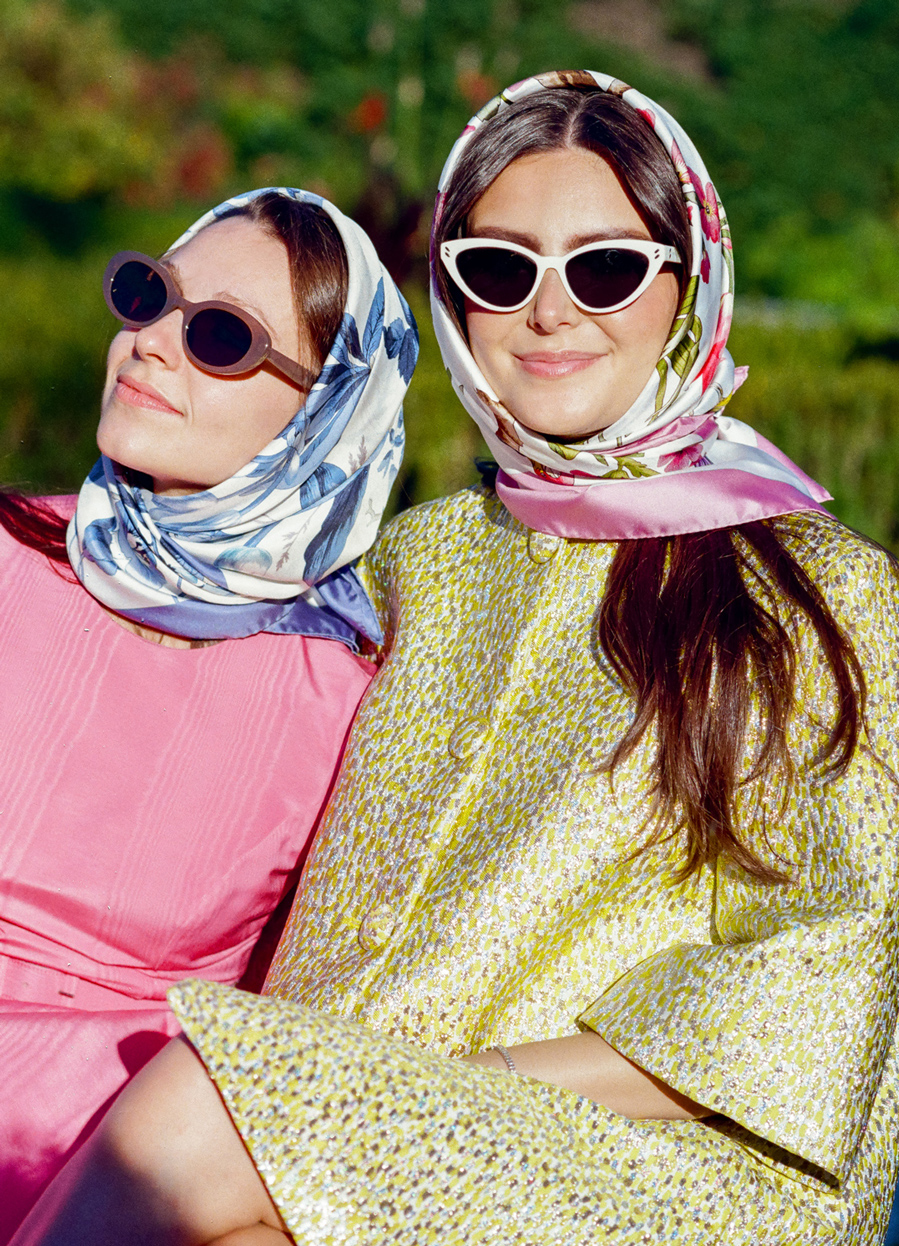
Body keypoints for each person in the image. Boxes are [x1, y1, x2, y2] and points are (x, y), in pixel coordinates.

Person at [13, 71, 899, 1246]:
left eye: (605, 269)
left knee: (200, 1108)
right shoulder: (419, 562)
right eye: (499, 269)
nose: (550, 312)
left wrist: (449, 1084)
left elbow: (835, 964)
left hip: (650, 1163)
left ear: (690, 285)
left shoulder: (816, 588)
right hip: (357, 1136)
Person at [0, 186, 416, 1241]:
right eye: (150, 296)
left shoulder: (347, 693)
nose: (149, 341)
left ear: (324, 417)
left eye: (220, 336)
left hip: (126, 1165)